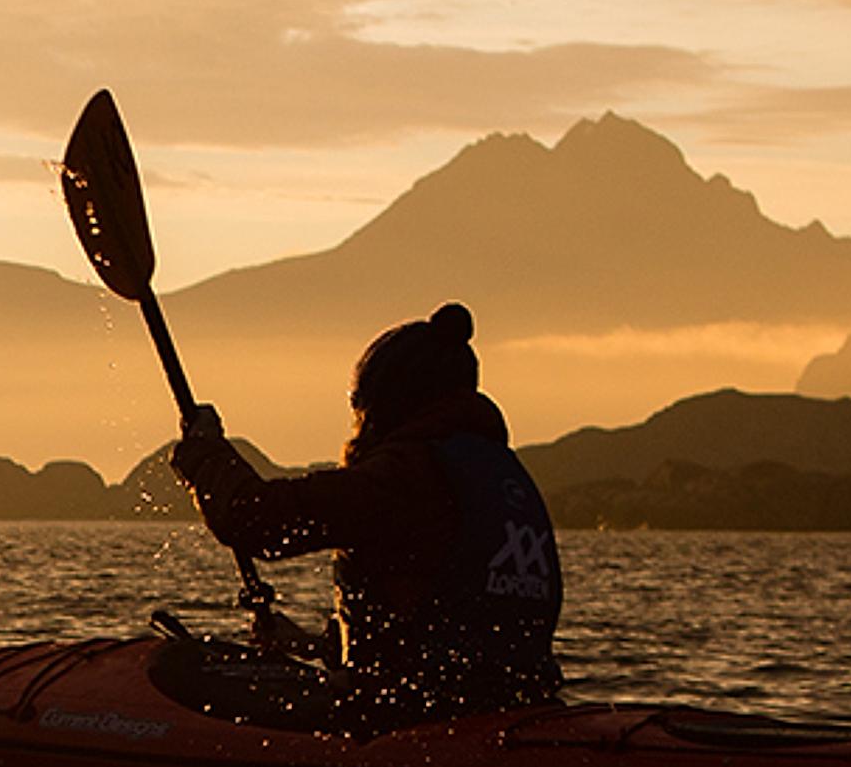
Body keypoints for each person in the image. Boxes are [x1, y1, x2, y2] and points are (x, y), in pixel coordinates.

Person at [170, 300, 565, 720]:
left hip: (414, 718)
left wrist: (206, 453)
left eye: (359, 407)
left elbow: (257, 519)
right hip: (516, 710)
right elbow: (446, 626)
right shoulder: (503, 478)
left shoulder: (405, 476)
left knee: (180, 678)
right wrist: (315, 645)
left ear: (387, 402)